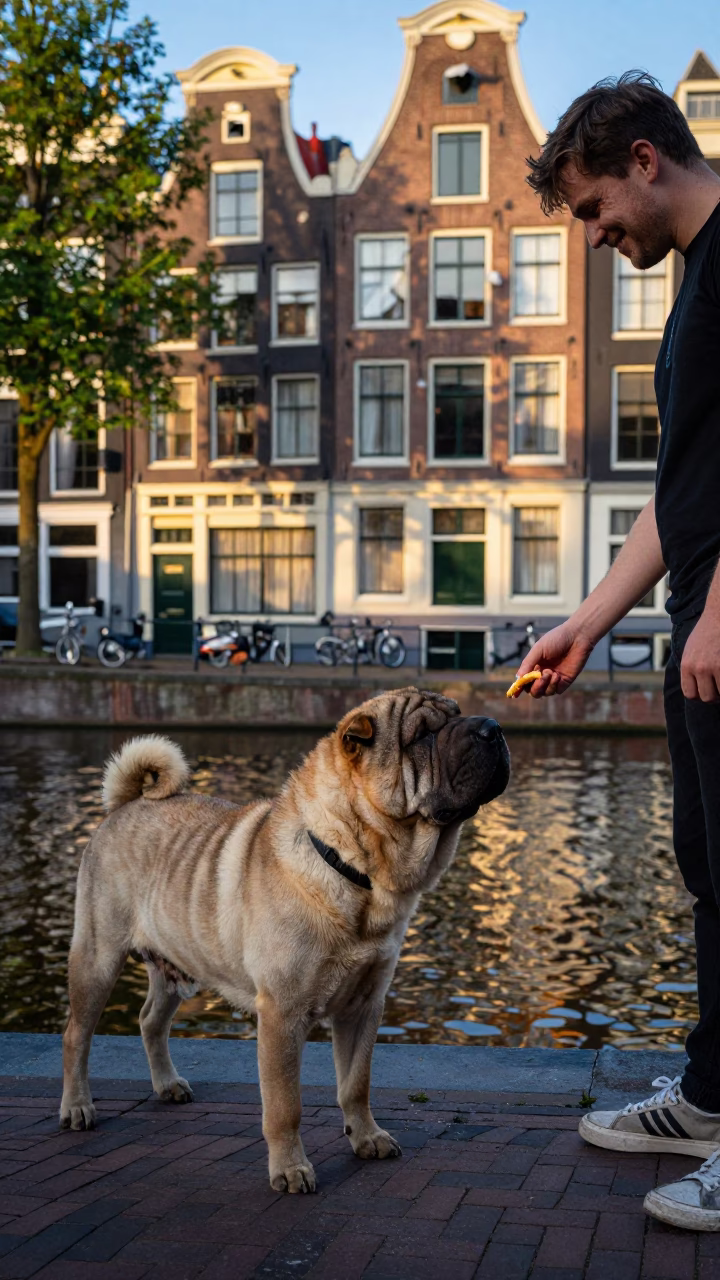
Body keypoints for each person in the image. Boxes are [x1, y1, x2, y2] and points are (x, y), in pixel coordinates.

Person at [522, 71, 720, 1232]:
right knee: (707, 867)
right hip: (695, 620)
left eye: (596, 211)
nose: (596, 238)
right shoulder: (697, 280)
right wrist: (590, 619)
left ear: (644, 160)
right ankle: (710, 1095)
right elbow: (678, 486)